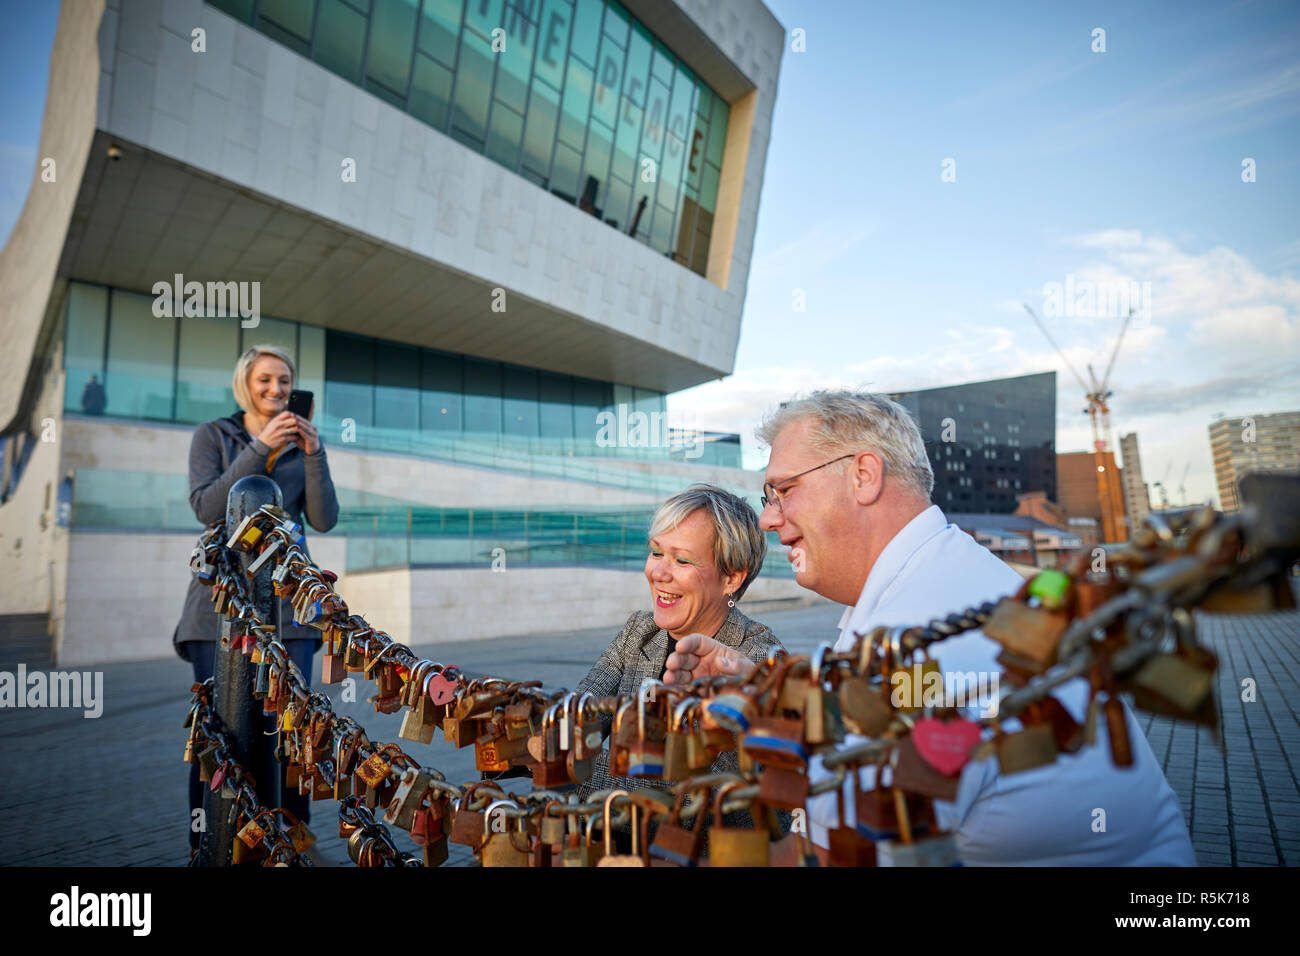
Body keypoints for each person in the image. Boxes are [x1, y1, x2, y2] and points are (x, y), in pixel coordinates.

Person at [665, 390, 1196, 866]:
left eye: (782, 490)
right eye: (767, 498)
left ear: (864, 475)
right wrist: (762, 692)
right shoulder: (949, 574)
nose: (767, 518)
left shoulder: (918, 628)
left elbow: (825, 858)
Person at [174, 344, 339, 856]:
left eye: (285, 381)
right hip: (219, 609)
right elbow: (208, 507)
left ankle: (289, 844)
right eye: (266, 380)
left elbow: (324, 518)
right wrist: (259, 447)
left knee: (290, 733)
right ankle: (212, 843)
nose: (276, 390)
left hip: (290, 611)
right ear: (245, 383)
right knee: (223, 736)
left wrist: (314, 454)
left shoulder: (300, 441)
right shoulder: (214, 436)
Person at [576, 484, 783, 801]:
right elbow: (578, 718)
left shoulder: (759, 660)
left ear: (732, 579)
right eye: (656, 552)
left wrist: (564, 766)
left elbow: (701, 802)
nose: (658, 572)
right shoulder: (639, 631)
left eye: (682, 560)